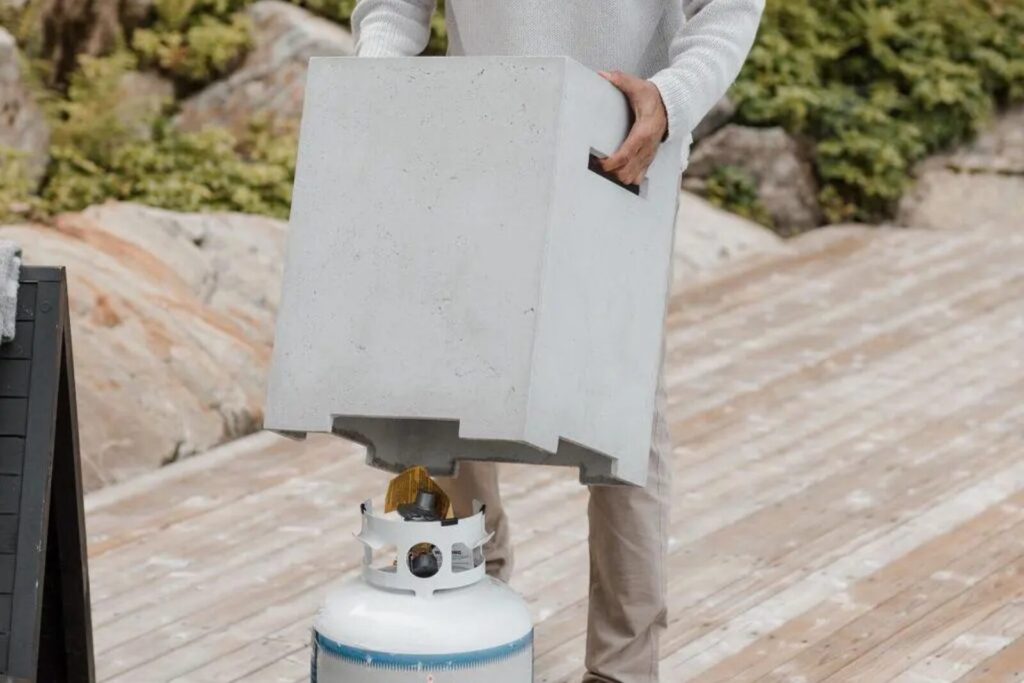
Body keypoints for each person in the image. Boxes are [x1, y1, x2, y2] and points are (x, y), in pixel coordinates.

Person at [350, 1, 764, 680]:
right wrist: (378, 87)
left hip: (624, 147)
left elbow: (730, 6)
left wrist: (672, 95)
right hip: (472, 140)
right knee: (446, 382)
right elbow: (393, 8)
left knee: (623, 414)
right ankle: (465, 606)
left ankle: (622, 668)